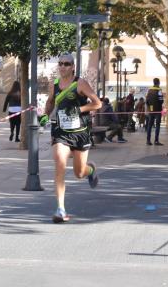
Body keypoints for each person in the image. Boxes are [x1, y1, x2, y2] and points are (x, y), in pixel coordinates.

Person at [43, 53, 102, 223]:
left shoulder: (80, 83)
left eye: (67, 64)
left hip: (80, 132)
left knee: (79, 172)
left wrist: (79, 110)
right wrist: (45, 115)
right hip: (60, 131)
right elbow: (51, 102)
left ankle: (90, 170)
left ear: (73, 66)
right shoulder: (54, 84)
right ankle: (60, 209)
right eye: (60, 64)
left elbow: (97, 103)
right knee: (60, 162)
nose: (63, 67)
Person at [146, 78, 164, 146]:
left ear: (153, 82)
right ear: (158, 82)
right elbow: (161, 101)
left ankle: (148, 140)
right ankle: (156, 141)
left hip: (151, 110)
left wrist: (150, 107)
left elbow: (147, 101)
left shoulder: (149, 90)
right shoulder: (159, 90)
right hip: (158, 110)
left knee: (149, 125)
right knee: (157, 125)